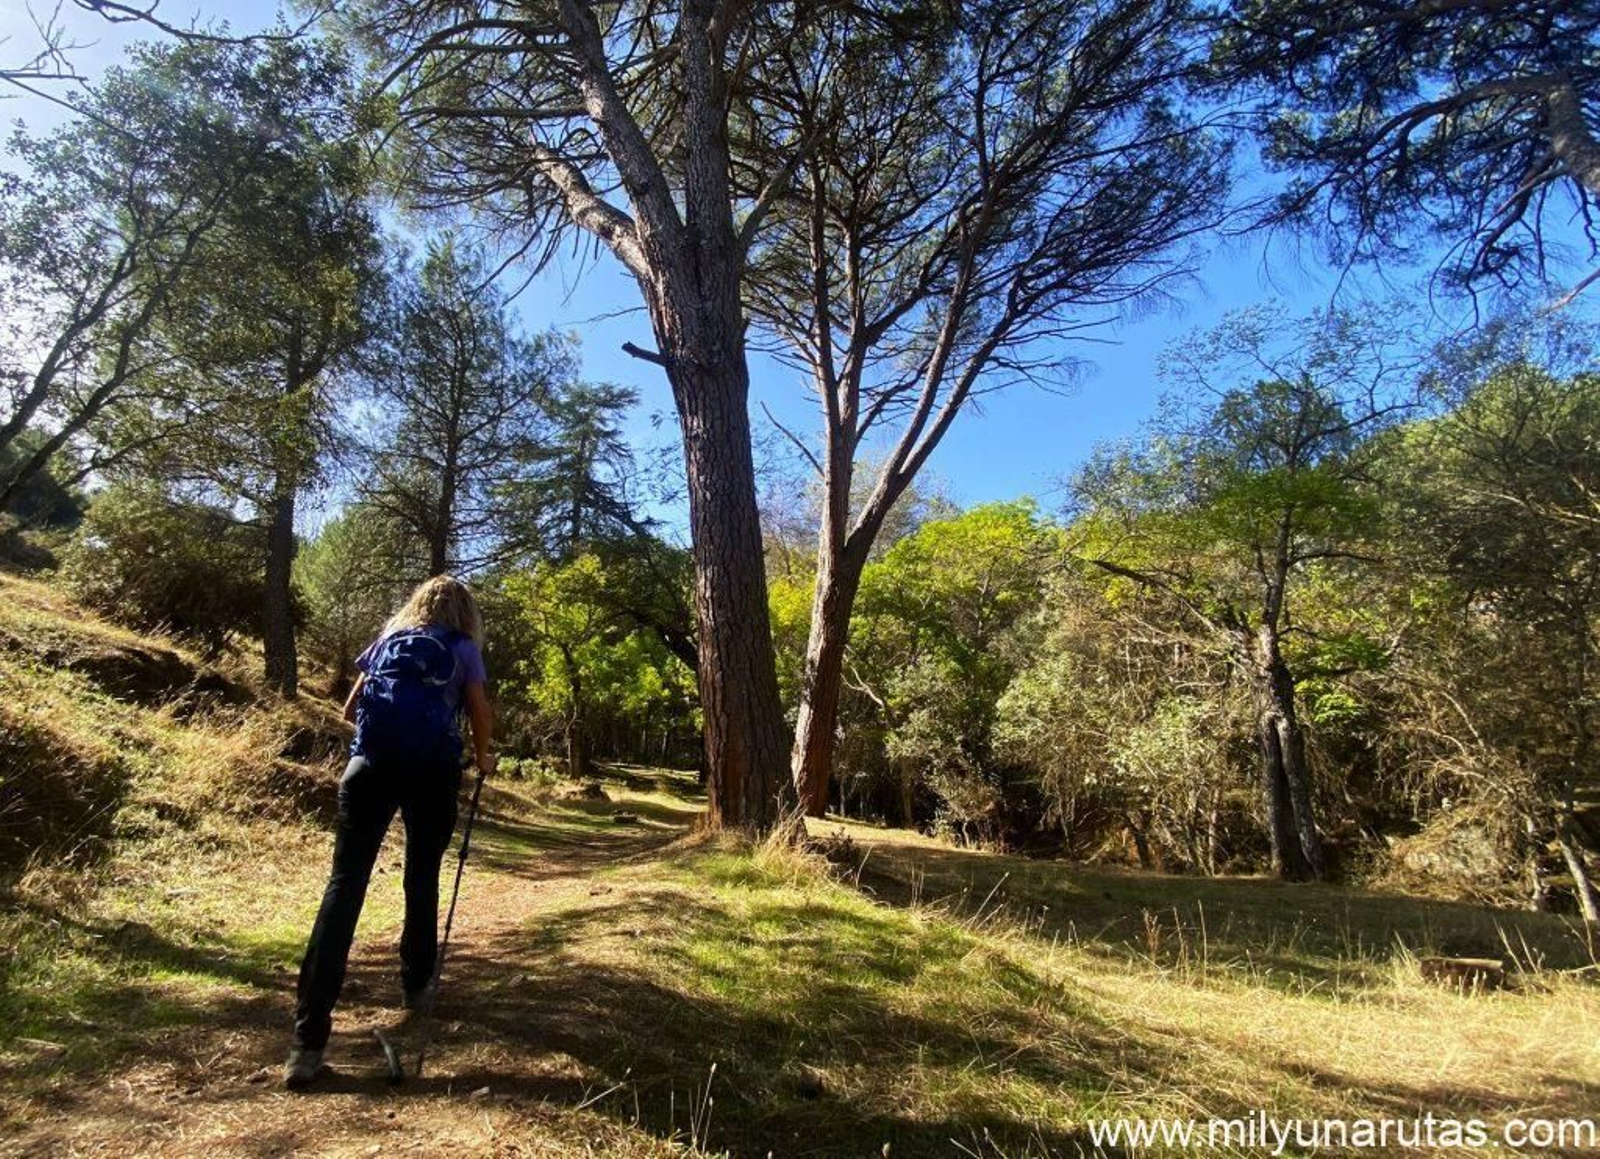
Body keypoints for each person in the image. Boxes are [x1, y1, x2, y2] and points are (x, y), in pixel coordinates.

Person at [284, 575, 496, 1088]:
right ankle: (416, 985)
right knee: (421, 876)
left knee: (344, 886)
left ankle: (307, 1041)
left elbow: (350, 710)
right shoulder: (462, 648)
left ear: (417, 605)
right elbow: (479, 710)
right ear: (464, 613)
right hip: (432, 772)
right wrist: (484, 756)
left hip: (368, 769)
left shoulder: (387, 642)